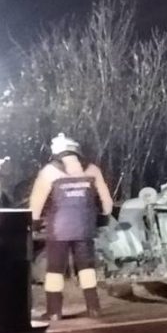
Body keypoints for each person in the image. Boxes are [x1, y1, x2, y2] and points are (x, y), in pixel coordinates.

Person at [29, 133, 114, 321]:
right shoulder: (92, 170)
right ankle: (93, 308)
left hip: (59, 229)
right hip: (85, 227)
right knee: (86, 267)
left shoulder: (49, 172)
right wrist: (102, 218)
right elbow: (107, 201)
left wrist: (33, 223)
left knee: (55, 269)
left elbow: (36, 203)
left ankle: (54, 311)